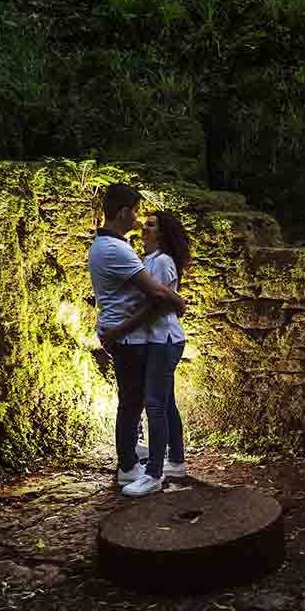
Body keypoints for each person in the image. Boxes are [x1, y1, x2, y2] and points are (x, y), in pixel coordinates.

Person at [88, 184, 186, 489]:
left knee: (153, 402)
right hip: (130, 339)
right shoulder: (118, 249)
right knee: (136, 402)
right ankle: (131, 464)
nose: (140, 221)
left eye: (151, 223)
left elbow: (155, 299)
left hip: (146, 337)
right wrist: (178, 301)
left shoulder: (132, 252)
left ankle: (158, 463)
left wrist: (116, 328)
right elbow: (156, 294)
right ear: (124, 212)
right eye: (137, 213)